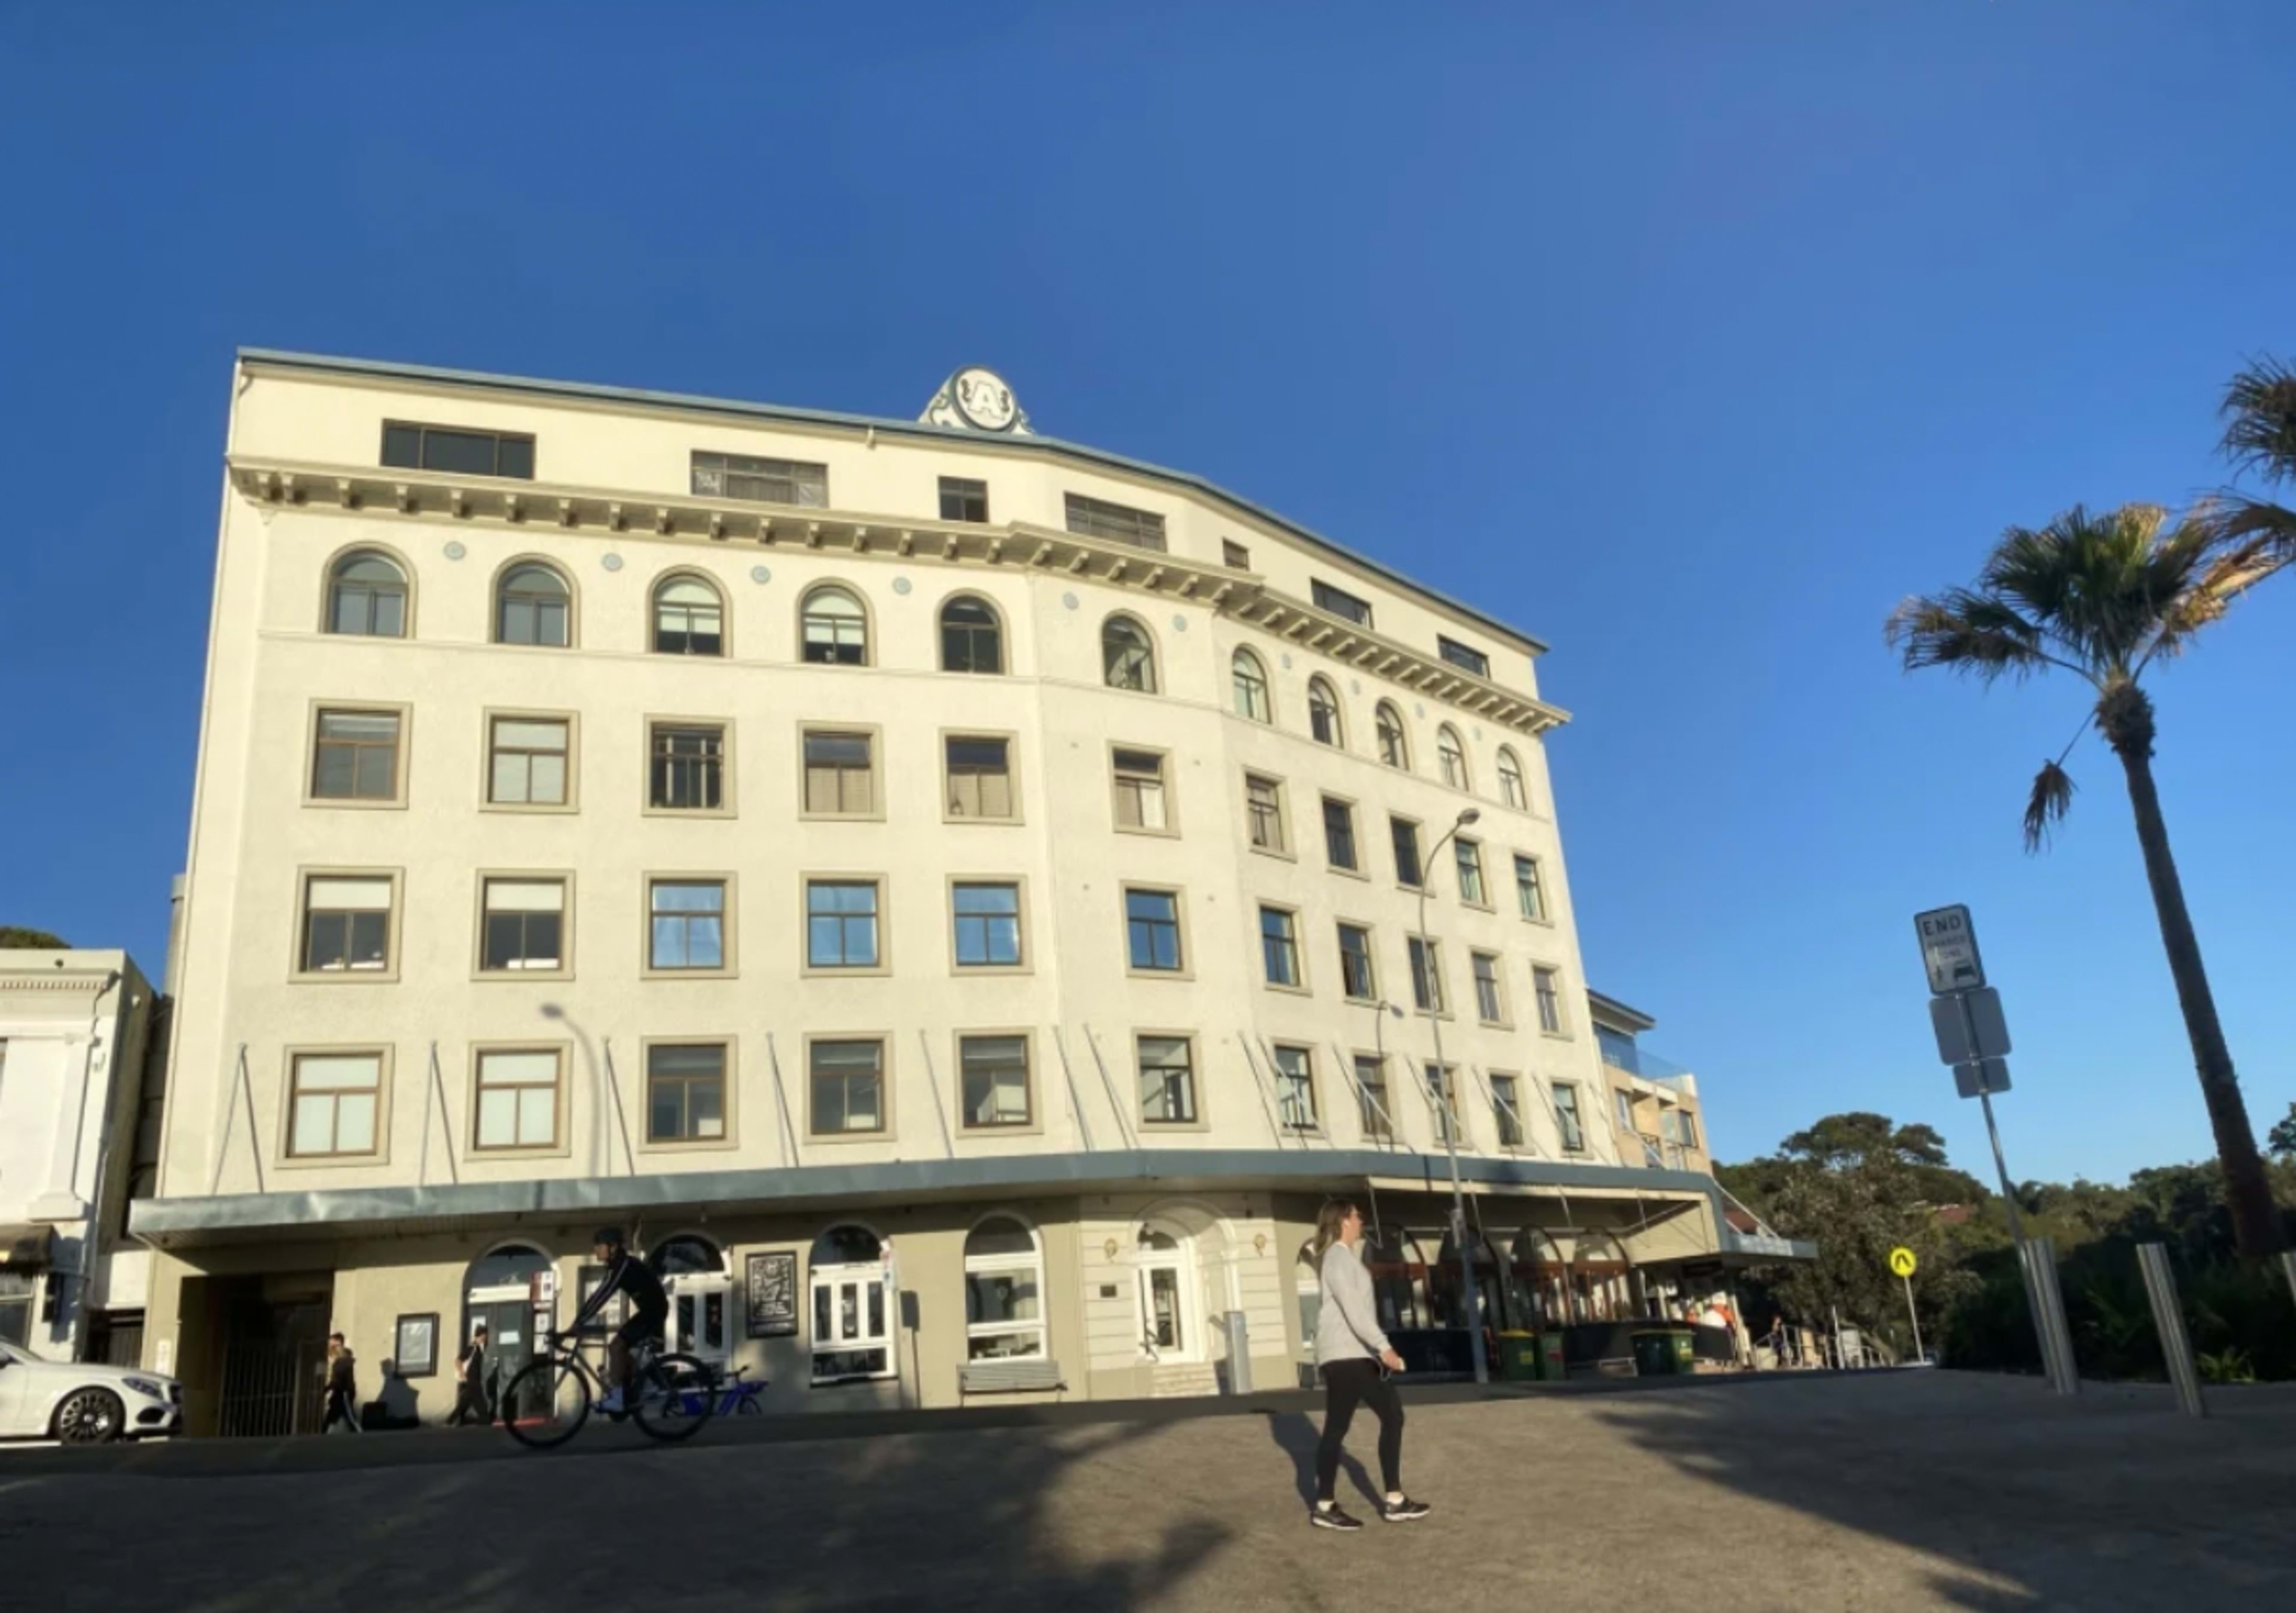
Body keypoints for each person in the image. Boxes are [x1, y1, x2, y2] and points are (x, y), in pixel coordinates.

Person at [1308, 1199, 1431, 1530]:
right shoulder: (1336, 1258)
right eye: (1358, 1215)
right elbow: (1353, 1309)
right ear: (1345, 1221)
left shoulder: (1345, 1258)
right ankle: (1329, 1505)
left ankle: (1391, 1500)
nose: (1362, 1220)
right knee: (1348, 1425)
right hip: (1347, 1355)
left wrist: (1375, 1349)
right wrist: (1384, 1347)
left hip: (1356, 1354)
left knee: (1382, 1416)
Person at [569, 1227, 668, 1415]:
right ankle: (642, 1385)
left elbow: (603, 1296)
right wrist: (579, 1320)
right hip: (649, 1310)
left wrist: (579, 1323)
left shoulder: (623, 1266)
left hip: (653, 1311)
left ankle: (618, 1398)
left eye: (599, 1246)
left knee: (616, 1347)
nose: (595, 1250)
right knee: (620, 1350)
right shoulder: (616, 1266)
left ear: (613, 1247)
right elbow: (598, 1294)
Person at [448, 1322, 491, 1426]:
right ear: (478, 1336)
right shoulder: (472, 1348)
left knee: (465, 1402)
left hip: (475, 1379)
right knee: (479, 1400)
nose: (485, 1338)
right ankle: (484, 1419)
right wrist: (462, 1372)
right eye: (483, 1336)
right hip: (471, 1379)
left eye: (485, 1336)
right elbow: (458, 1360)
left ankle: (450, 1421)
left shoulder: (481, 1348)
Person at [320, 1333, 361, 1434]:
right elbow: (336, 1380)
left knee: (350, 1417)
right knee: (331, 1417)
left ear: (339, 1345)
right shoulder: (339, 1361)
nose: (330, 1349)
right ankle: (323, 1435)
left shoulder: (344, 1361)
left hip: (344, 1393)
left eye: (333, 1346)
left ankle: (360, 1435)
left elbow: (338, 1380)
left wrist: (327, 1389)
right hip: (339, 1393)